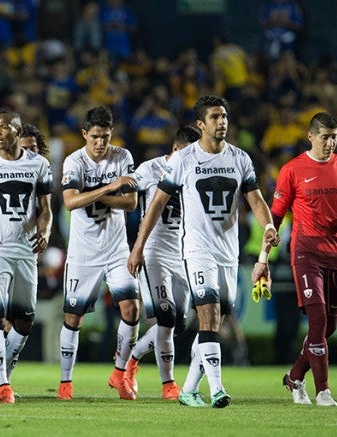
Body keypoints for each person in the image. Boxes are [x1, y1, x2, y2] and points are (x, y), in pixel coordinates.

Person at [128, 96, 279, 408]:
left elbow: (255, 200)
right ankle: (218, 389)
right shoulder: (184, 160)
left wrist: (268, 227)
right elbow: (156, 203)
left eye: (224, 116)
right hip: (197, 250)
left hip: (228, 253)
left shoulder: (240, 159)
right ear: (201, 124)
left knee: (217, 322)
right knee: (208, 317)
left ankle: (189, 389)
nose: (222, 122)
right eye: (214, 117)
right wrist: (138, 246)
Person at [271, 112, 337, 407]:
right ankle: (323, 390)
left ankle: (293, 377)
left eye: (335, 137)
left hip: (336, 253)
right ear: (311, 137)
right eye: (325, 137)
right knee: (317, 320)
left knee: (328, 327)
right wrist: (266, 252)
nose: (330, 143)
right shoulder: (292, 169)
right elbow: (276, 214)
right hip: (305, 252)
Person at [57, 105, 140, 401]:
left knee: (132, 309)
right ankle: (65, 381)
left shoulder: (123, 157)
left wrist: (98, 194)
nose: (100, 143)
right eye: (94, 137)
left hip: (117, 250)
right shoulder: (73, 161)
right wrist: (112, 187)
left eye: (105, 137)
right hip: (83, 254)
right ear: (84, 134)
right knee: (73, 317)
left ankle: (119, 374)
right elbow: (69, 202)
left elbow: (130, 203)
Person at [0, 110, 53, 403]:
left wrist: (45, 230)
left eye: (3, 128)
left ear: (17, 131)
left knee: (25, 321)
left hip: (26, 251)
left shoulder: (39, 164)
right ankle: (3, 384)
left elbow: (46, 207)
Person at [123, 125, 201, 400]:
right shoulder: (150, 169)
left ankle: (130, 360)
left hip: (185, 255)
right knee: (165, 319)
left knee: (178, 324)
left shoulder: (195, 169)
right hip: (154, 252)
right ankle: (169, 385)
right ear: (176, 149)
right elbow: (128, 187)